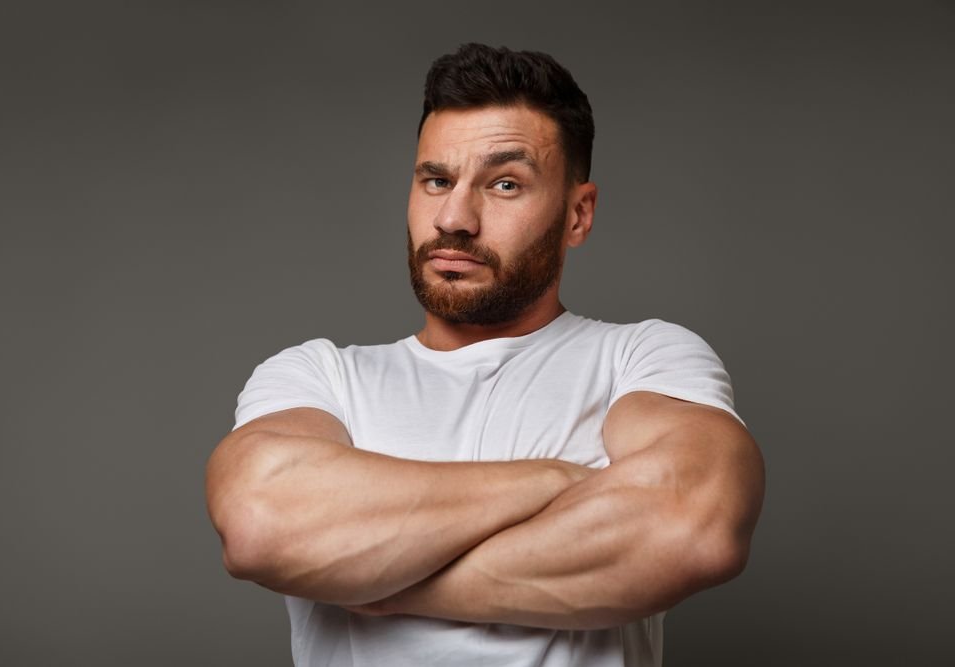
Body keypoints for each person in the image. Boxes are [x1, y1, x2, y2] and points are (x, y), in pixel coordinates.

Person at [205, 43, 765, 667]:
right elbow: (261, 525)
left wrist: (386, 583)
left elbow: (693, 528)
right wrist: (555, 480)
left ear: (578, 214)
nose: (454, 217)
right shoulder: (319, 377)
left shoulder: (639, 359)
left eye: (504, 184)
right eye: (436, 180)